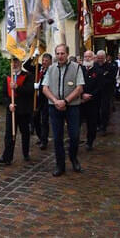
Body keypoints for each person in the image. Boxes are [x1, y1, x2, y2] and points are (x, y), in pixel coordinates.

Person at [42, 44, 85, 177]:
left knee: (74, 136)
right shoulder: (50, 69)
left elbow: (79, 88)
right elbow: (45, 88)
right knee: (57, 137)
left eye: (62, 53)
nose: (60, 56)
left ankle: (73, 158)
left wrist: (65, 101)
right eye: (58, 53)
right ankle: (60, 165)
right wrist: (56, 101)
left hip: (72, 107)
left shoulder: (76, 67)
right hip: (54, 107)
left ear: (67, 54)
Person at [0, 58, 34, 166]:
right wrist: (9, 105)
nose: (15, 64)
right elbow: (4, 95)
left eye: (17, 62)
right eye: (13, 62)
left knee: (25, 133)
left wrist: (17, 87)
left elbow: (30, 91)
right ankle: (7, 157)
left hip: (24, 111)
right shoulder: (8, 77)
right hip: (11, 111)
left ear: (21, 63)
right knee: (9, 134)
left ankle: (26, 153)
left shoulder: (28, 76)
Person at [24, 53, 52, 150]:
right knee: (35, 119)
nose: (44, 62)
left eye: (46, 61)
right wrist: (33, 57)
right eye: (43, 60)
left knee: (44, 120)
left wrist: (39, 87)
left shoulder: (52, 71)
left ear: (50, 62)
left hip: (46, 99)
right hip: (37, 99)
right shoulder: (38, 67)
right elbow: (26, 66)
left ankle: (44, 141)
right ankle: (41, 137)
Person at [80, 51, 104, 151]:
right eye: (85, 56)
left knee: (91, 124)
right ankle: (74, 141)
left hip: (93, 102)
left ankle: (89, 142)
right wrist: (82, 95)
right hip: (80, 101)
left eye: (89, 56)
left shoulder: (98, 71)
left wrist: (90, 96)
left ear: (94, 58)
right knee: (76, 123)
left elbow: (100, 87)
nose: (87, 58)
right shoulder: (79, 70)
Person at [96, 50, 117, 136]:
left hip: (106, 91)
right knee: (96, 110)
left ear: (105, 58)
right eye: (98, 58)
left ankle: (103, 127)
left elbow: (111, 79)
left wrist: (101, 79)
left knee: (104, 110)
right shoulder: (95, 65)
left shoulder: (110, 66)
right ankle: (98, 125)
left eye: (101, 58)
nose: (100, 60)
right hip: (96, 92)